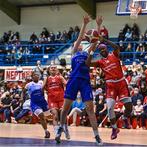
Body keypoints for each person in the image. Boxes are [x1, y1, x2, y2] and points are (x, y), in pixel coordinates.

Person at [56, 15, 103, 145]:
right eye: (77, 44)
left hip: (84, 81)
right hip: (73, 80)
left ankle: (97, 135)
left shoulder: (88, 53)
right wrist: (84, 24)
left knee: (89, 109)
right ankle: (60, 129)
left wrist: (98, 26)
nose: (79, 45)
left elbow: (95, 41)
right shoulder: (75, 52)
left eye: (81, 44)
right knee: (65, 109)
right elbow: (79, 37)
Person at [86, 35, 133, 139]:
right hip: (110, 85)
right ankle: (114, 128)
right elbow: (87, 63)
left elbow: (116, 47)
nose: (102, 51)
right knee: (110, 107)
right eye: (100, 50)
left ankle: (124, 118)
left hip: (121, 83)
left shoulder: (114, 55)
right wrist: (92, 51)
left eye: (103, 49)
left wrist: (105, 40)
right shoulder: (100, 62)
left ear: (106, 49)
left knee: (129, 108)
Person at [43, 64, 70, 140]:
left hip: (61, 99)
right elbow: (43, 88)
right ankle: (57, 134)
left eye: (55, 68)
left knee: (63, 115)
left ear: (57, 70)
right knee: (55, 115)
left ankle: (66, 129)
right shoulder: (47, 79)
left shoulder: (60, 77)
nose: (53, 69)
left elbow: (67, 85)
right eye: (52, 68)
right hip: (52, 100)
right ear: (49, 70)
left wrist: (66, 80)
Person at [21, 72, 50, 138]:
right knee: (41, 116)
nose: (36, 76)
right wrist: (22, 98)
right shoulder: (29, 84)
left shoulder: (41, 82)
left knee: (47, 116)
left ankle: (53, 128)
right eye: (34, 75)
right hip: (34, 103)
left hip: (43, 102)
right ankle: (46, 131)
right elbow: (23, 92)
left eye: (37, 75)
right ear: (32, 77)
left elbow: (47, 89)